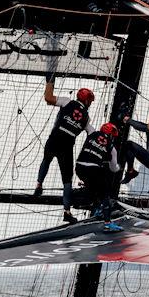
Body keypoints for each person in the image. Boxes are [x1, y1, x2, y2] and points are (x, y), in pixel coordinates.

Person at [34, 80, 96, 223]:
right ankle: (67, 212)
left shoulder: (67, 101)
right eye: (90, 101)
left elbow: (48, 99)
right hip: (67, 145)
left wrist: (50, 82)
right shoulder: (86, 118)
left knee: (46, 160)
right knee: (67, 180)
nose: (90, 104)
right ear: (86, 100)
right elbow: (91, 133)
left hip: (55, 138)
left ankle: (39, 184)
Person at [75, 123, 123, 232]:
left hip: (79, 168)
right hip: (93, 169)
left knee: (93, 185)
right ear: (111, 135)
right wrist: (119, 167)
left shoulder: (92, 132)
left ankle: (96, 208)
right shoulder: (111, 147)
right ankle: (107, 223)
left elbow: (85, 123)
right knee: (105, 193)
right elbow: (113, 168)